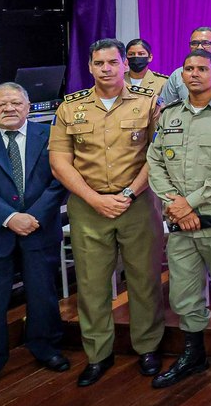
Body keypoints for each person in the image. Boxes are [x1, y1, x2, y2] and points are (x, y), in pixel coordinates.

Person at [49, 38, 165, 387]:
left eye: (113, 62)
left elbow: (157, 155)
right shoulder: (70, 107)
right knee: (91, 284)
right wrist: (94, 198)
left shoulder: (148, 104)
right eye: (99, 63)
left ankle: (148, 347)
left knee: (144, 280)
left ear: (124, 64)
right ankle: (98, 354)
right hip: (89, 207)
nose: (106, 69)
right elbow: (59, 162)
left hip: (138, 204)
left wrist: (128, 193)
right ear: (90, 67)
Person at [147, 49, 211, 387]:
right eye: (188, 68)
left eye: (202, 69)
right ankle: (194, 355)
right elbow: (155, 163)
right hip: (181, 223)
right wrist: (175, 203)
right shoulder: (169, 115)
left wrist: (188, 204)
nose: (194, 74)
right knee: (183, 293)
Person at [0, 83, 68, 393]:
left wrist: (33, 216)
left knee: (43, 294)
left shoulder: (51, 137)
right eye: (1, 104)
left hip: (39, 229)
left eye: (16, 103)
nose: (9, 109)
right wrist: (9, 217)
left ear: (28, 106)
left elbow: (60, 180)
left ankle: (47, 347)